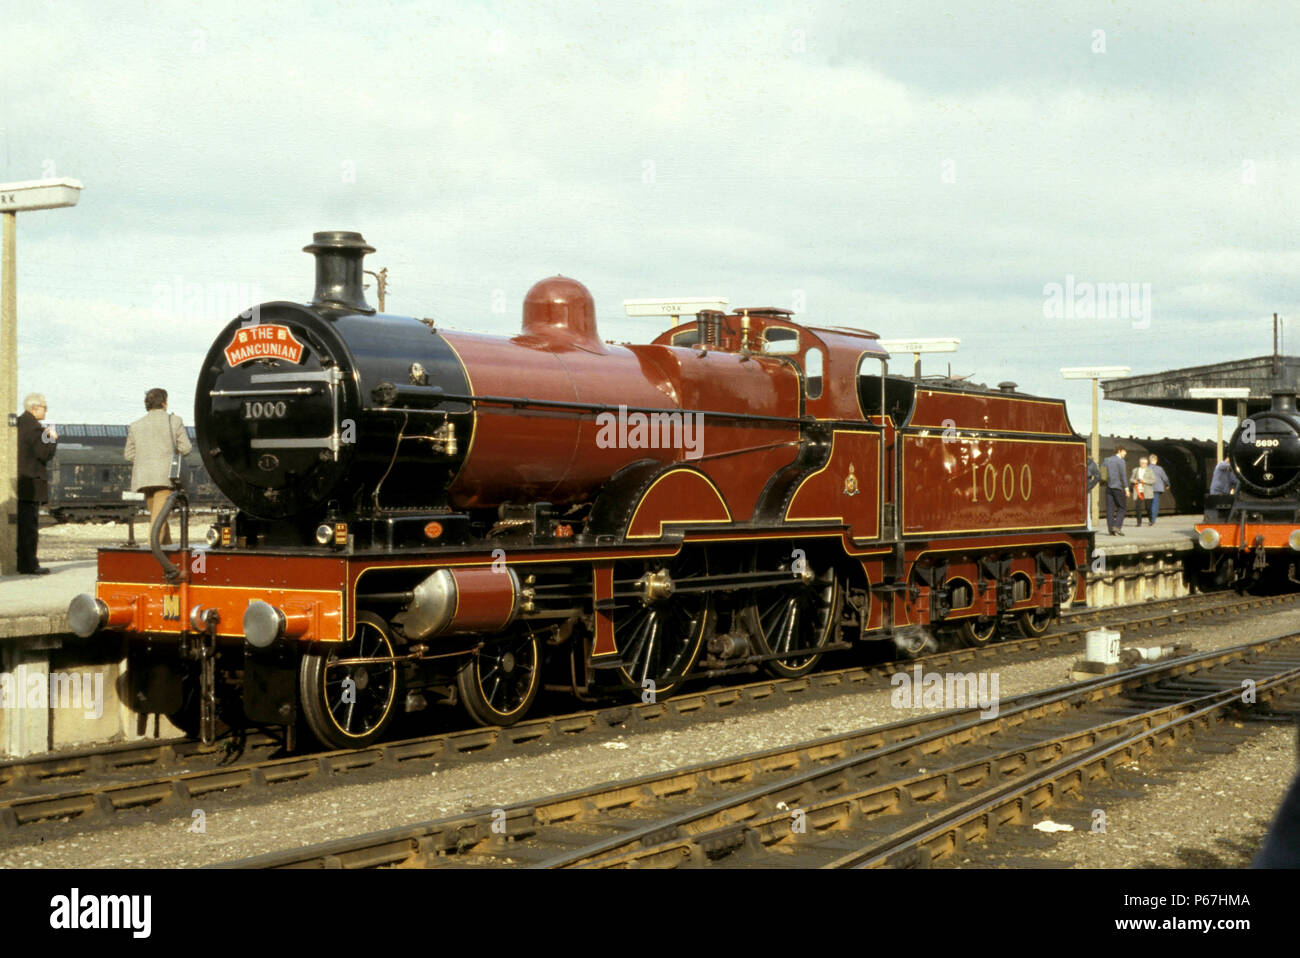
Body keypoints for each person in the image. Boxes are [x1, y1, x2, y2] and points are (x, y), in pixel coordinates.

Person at [124, 388, 192, 544]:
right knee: (158, 522)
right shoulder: (175, 421)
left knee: (159, 516)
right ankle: (150, 558)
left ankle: (168, 555)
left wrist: (146, 459)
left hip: (144, 480)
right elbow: (186, 448)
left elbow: (128, 455)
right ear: (164, 403)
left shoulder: (135, 425)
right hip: (165, 478)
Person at [16, 393, 56, 574]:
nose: (46, 411)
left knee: (21, 526)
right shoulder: (34, 429)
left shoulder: (19, 424)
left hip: (19, 481)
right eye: (45, 407)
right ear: (35, 408)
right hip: (30, 483)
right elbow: (44, 454)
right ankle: (29, 564)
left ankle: (22, 562)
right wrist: (52, 438)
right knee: (29, 526)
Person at [1102, 447, 1128, 536]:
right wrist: (1127, 488)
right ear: (1119, 451)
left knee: (1110, 509)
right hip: (1118, 488)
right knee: (1122, 507)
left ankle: (1110, 530)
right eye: (1124, 452)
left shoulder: (1107, 460)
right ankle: (1117, 526)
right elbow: (1123, 476)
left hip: (1108, 488)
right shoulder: (1121, 461)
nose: (1125, 454)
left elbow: (1103, 473)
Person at [1130, 456, 1155, 527]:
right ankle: (1139, 522)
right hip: (1138, 491)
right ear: (1140, 463)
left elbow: (1153, 480)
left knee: (1148, 507)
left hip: (1147, 491)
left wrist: (1145, 481)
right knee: (1138, 507)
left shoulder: (1150, 470)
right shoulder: (1135, 470)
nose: (1143, 464)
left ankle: (1151, 520)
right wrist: (1134, 481)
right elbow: (1131, 479)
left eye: (1145, 463)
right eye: (1142, 463)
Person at [1148, 453, 1170, 525]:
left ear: (1150, 460)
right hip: (1157, 488)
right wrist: (1167, 484)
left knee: (1149, 504)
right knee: (1155, 503)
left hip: (1148, 488)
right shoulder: (1159, 469)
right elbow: (1164, 477)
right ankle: (1153, 519)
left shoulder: (1146, 468)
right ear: (1156, 460)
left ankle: (1150, 518)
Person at [1085, 456, 1101, 530]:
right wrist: (1090, 486)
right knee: (1087, 511)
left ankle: (1088, 528)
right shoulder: (1092, 463)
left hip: (1082, 490)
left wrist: (1089, 486)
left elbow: (1097, 477)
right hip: (1086, 489)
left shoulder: (1091, 463)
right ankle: (1089, 528)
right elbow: (1097, 477)